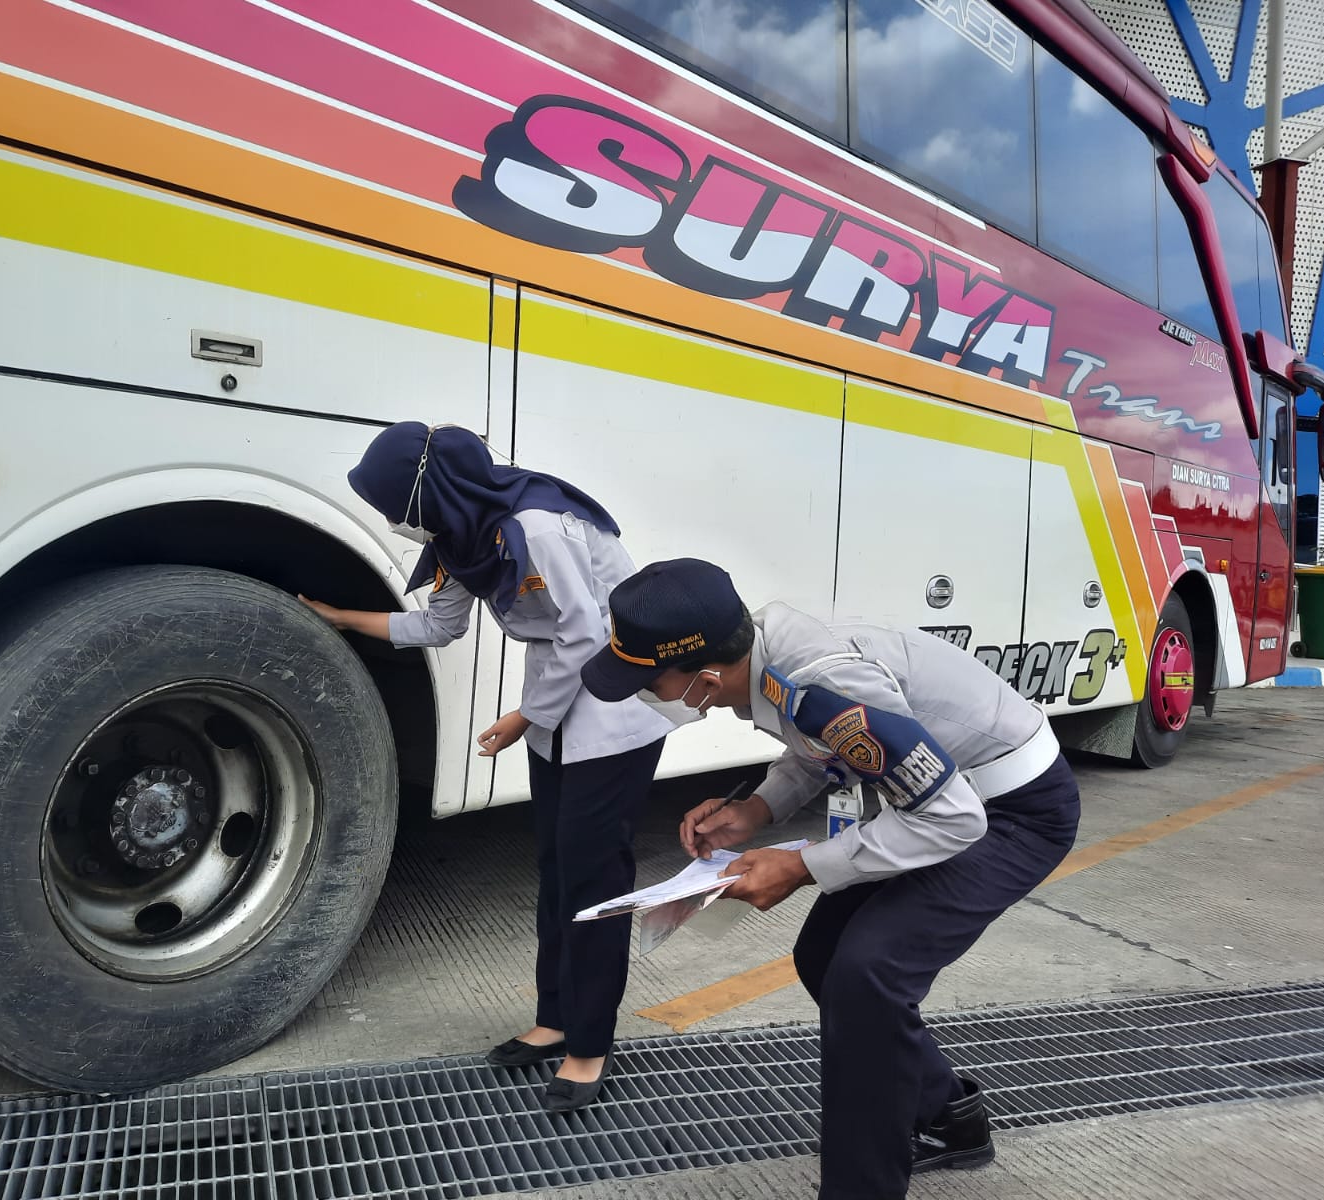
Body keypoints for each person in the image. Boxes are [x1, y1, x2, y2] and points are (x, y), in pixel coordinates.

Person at [580, 558, 1079, 1199]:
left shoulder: (823, 685)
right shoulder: (769, 660)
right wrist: (755, 812)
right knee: (823, 955)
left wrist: (799, 866)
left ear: (704, 679)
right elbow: (820, 748)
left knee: (867, 974)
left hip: (1012, 813)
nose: (652, 697)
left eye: (650, 684)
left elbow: (954, 819)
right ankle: (951, 1116)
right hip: (937, 805)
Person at [300, 422, 668, 1113]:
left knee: (593, 880)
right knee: (557, 872)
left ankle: (589, 1044)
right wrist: (343, 617)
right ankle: (555, 1018)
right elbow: (438, 625)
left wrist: (525, 715)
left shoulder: (537, 527)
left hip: (617, 710)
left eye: (393, 507)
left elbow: (587, 634)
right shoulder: (462, 537)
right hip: (558, 707)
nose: (394, 522)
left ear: (426, 493)